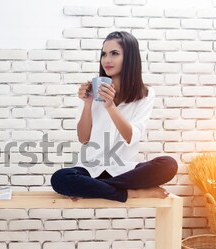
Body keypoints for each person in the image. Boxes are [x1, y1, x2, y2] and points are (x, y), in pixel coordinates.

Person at [51, 31, 178, 203]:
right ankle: (128, 193)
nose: (107, 60)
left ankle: (96, 188)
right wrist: (87, 104)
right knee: (60, 178)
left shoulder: (146, 94)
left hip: (124, 170)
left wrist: (110, 106)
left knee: (168, 165)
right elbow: (83, 138)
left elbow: (131, 137)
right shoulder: (92, 91)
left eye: (114, 53)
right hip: (90, 169)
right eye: (104, 54)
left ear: (130, 58)